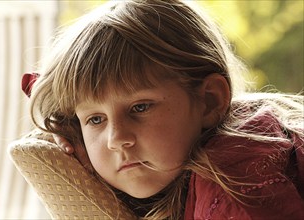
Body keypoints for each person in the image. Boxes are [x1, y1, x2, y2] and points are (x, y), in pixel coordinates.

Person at [23, 0, 304, 219]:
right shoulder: (181, 161)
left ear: (210, 101)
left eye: (140, 107)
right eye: (96, 119)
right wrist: (64, 129)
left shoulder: (231, 187)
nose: (116, 138)